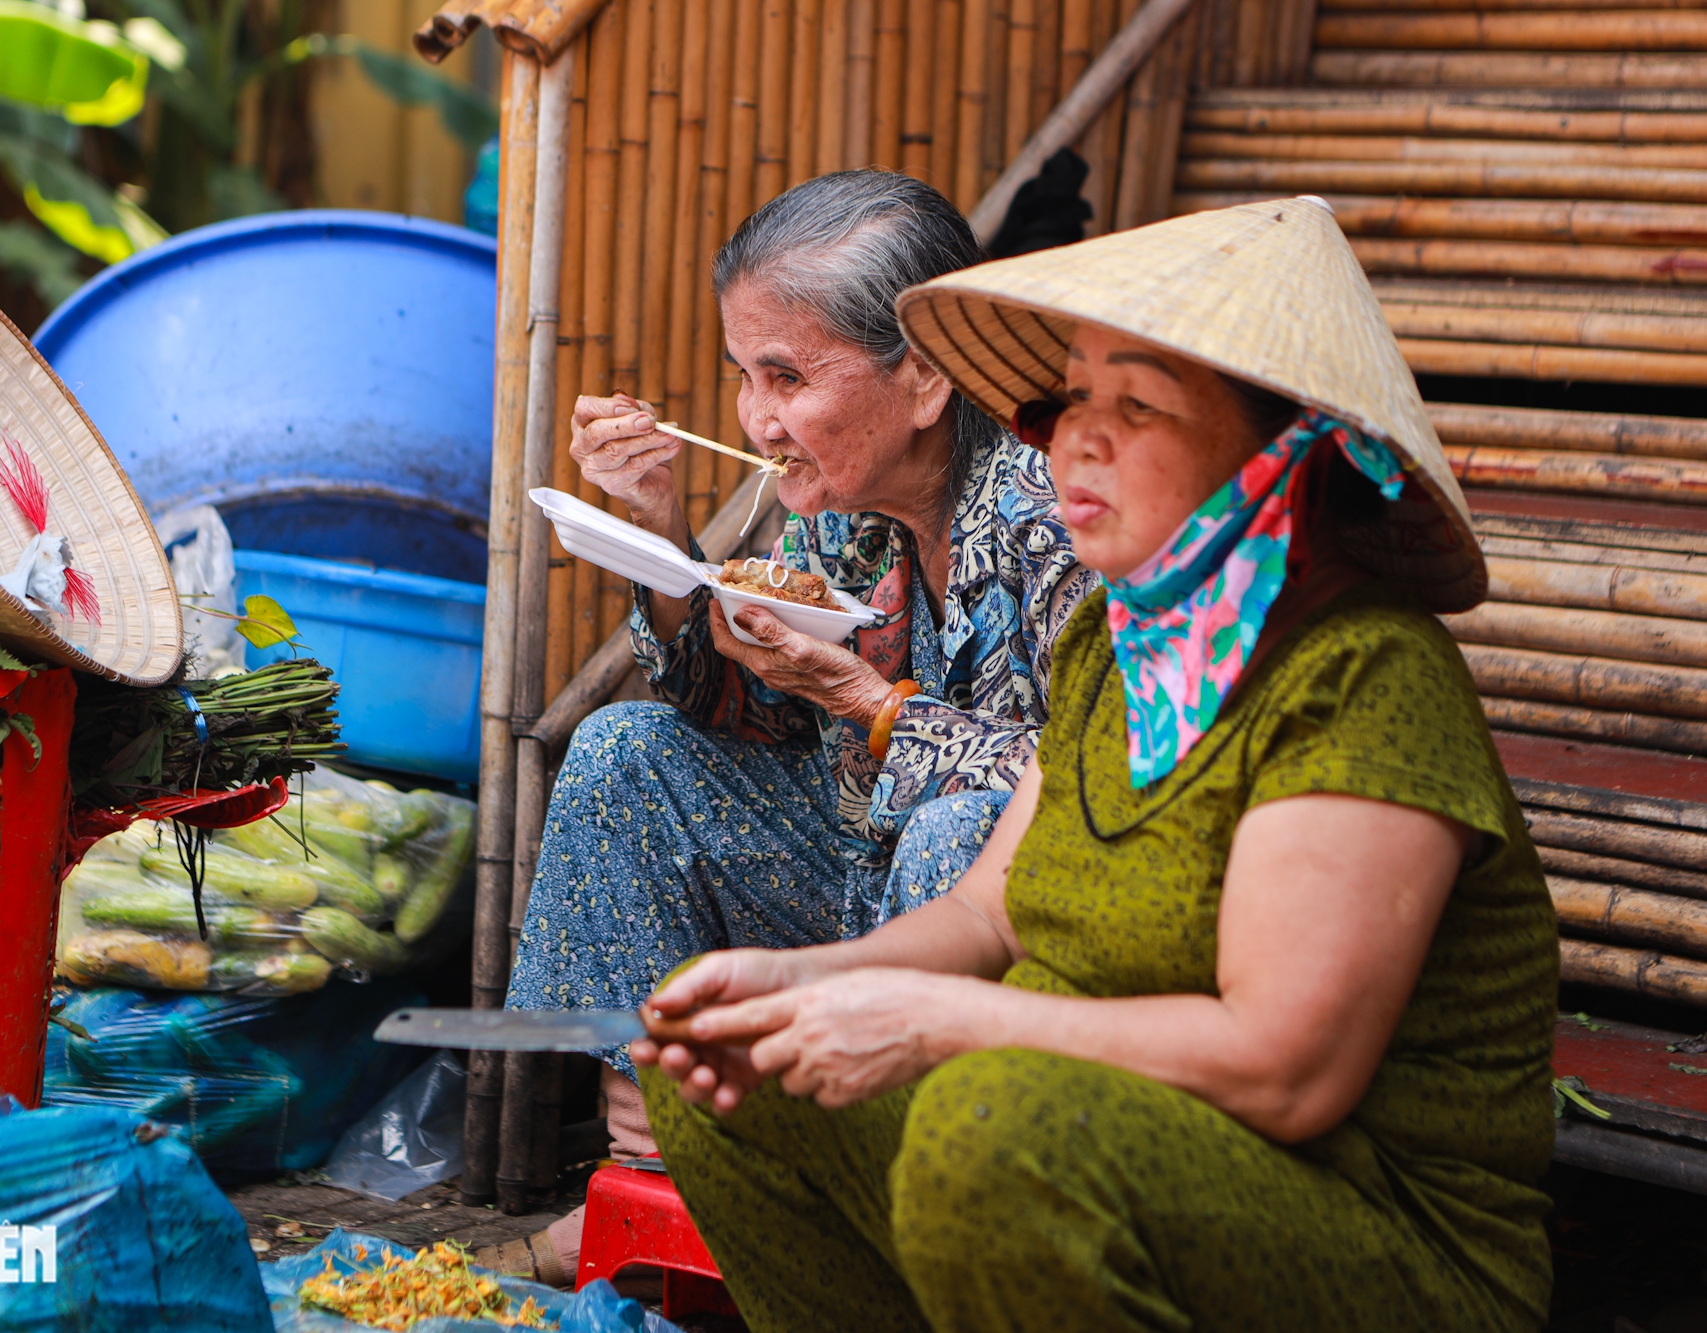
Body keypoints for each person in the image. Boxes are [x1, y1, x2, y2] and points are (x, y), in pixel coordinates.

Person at [631, 197, 1558, 1332]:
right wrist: (809, 983)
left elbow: (1282, 1069)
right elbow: (987, 914)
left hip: (1367, 1231)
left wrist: (931, 1023)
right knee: (723, 1081)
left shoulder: (1362, 676)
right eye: (1072, 398)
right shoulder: (1119, 646)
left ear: (1281, 454)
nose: (1075, 438)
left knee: (988, 1125)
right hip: (1080, 1134)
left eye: (1138, 407)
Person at [488, 170, 1093, 1285]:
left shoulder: (1051, 511)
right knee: (626, 757)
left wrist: (865, 702)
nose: (757, 419)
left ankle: (877, 1194)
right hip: (847, 868)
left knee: (960, 829)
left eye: (787, 376)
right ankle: (656, 1172)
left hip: (1008, 935)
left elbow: (1096, 784)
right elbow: (734, 718)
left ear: (920, 379)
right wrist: (661, 527)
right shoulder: (827, 509)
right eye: (741, 378)